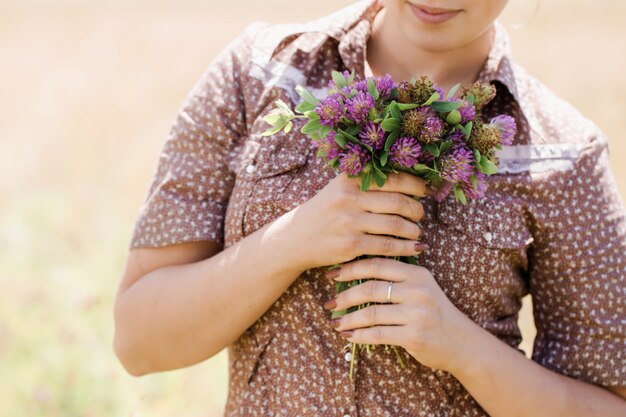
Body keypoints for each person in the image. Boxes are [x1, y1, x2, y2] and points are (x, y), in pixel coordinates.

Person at [113, 0, 626, 415]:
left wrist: (461, 347)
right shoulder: (257, 72)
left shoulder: (566, 155)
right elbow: (139, 341)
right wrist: (291, 243)